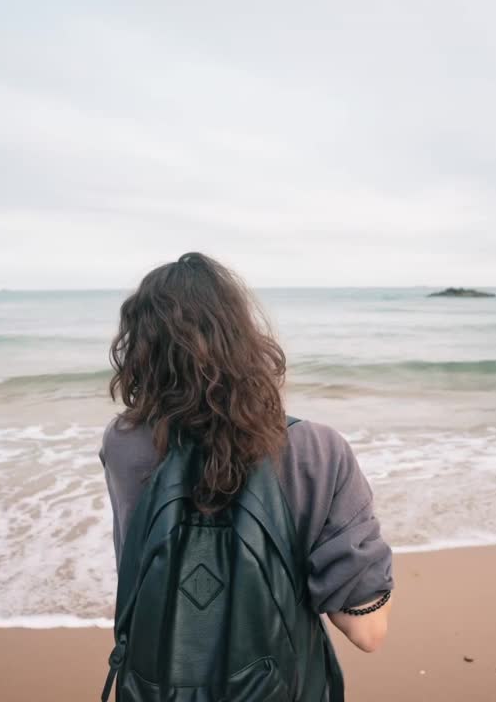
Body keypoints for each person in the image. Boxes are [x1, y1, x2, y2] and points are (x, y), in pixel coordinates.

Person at [98, 252, 393, 700]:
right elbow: (367, 629)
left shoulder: (121, 443)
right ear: (245, 339)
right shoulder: (317, 450)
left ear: (139, 350)